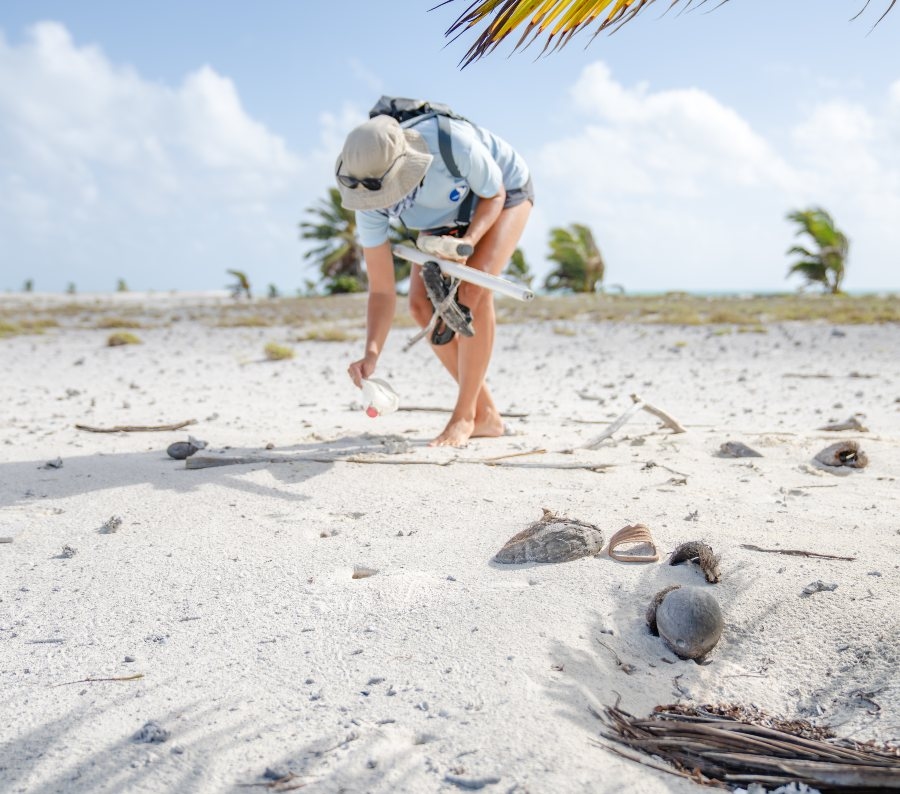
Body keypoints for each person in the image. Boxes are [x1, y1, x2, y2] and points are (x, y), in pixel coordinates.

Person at [337, 111, 533, 447]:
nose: (376, 203)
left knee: (472, 291)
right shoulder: (366, 189)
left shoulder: (454, 146)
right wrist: (371, 353)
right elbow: (383, 291)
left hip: (501, 193)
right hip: (442, 216)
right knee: (420, 306)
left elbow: (494, 194)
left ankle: (465, 416)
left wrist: (467, 244)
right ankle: (486, 416)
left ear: (405, 168)